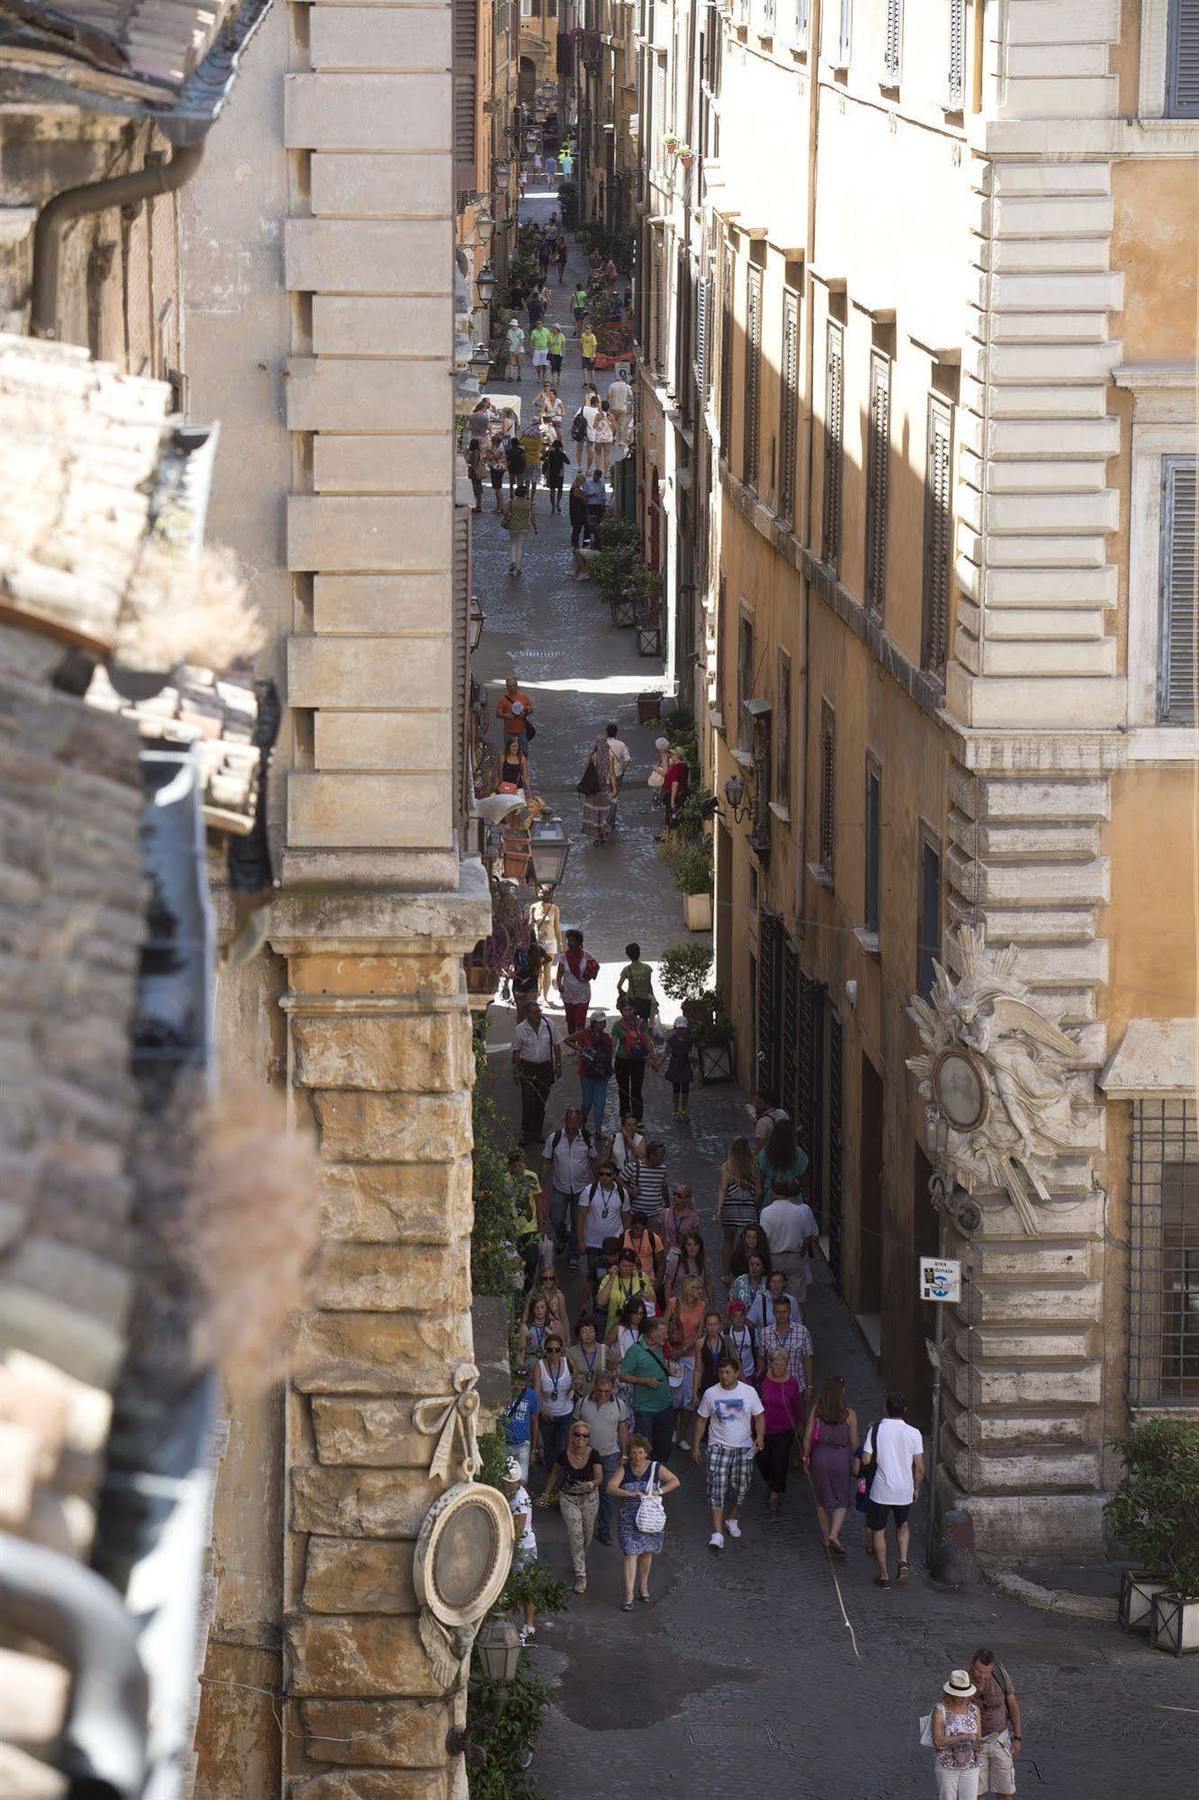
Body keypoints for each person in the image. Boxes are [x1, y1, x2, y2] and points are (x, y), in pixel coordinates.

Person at [693, 1354, 766, 1552]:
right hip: (718, 1447)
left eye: (727, 1372)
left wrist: (760, 1436)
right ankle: (717, 1533)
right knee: (716, 1488)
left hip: (743, 1448)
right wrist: (696, 1445)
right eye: (721, 1372)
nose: (724, 1376)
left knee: (741, 1488)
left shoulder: (749, 1392)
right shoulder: (710, 1394)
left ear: (736, 1373)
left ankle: (732, 1518)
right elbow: (701, 1420)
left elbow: (759, 1417)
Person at [607, 1433, 680, 1611]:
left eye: (640, 1452)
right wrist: (630, 1494)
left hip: (649, 1518)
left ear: (646, 1452)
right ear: (629, 1454)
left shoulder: (656, 1468)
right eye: (634, 1453)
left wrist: (658, 1491)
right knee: (630, 1554)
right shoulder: (624, 1469)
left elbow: (675, 1481)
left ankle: (644, 1586)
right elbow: (610, 1488)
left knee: (647, 1553)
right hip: (628, 1519)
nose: (637, 1457)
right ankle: (629, 1595)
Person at [862, 1390, 925, 1589]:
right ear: (905, 1410)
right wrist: (916, 1488)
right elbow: (920, 1467)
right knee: (902, 1524)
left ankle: (884, 1575)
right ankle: (903, 1560)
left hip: (882, 1490)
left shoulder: (877, 1429)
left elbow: (865, 1459)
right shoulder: (914, 1433)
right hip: (904, 1489)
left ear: (885, 1409)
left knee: (879, 1530)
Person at [540, 1418, 604, 1593]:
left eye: (585, 1435)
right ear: (572, 1436)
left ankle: (578, 1560)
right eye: (577, 1434)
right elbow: (554, 1474)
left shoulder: (594, 1454)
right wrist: (546, 1494)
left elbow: (599, 1477)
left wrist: (591, 1484)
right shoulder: (563, 1454)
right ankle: (581, 1575)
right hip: (568, 1498)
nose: (581, 1438)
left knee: (587, 1534)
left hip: (590, 1499)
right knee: (576, 1535)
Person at [803, 1374, 857, 1555]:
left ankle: (826, 1538)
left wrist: (805, 1456)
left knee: (821, 1500)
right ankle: (835, 1533)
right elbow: (855, 1442)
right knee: (842, 1498)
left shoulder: (817, 1411)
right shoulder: (850, 1414)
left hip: (820, 1457)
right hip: (841, 1459)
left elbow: (808, 1438)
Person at [576, 1371, 629, 1543]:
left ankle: (604, 1530)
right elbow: (574, 1428)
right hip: (586, 1455)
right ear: (594, 1387)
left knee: (607, 1493)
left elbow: (623, 1430)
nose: (603, 1395)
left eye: (607, 1391)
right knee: (584, 1490)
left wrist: (625, 1453)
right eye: (600, 1391)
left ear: (612, 1389)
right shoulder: (583, 1402)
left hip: (609, 1454)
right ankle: (583, 1527)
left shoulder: (619, 1405)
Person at [619, 1315, 675, 1466]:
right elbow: (623, 1375)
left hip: (665, 1405)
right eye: (663, 1333)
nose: (666, 1336)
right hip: (645, 1409)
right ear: (651, 1332)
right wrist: (644, 1381)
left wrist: (669, 1369)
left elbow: (666, 1362)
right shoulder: (635, 1351)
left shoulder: (663, 1347)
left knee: (663, 1446)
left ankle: (658, 1475)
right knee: (643, 1448)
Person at [541, 1107, 594, 1264]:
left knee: (578, 1222)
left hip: (580, 1188)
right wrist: (541, 1183)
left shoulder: (586, 1139)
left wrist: (598, 1183)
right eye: (569, 1121)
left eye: (575, 1121)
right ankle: (563, 1237)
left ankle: (573, 1255)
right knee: (556, 1218)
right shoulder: (554, 1138)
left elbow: (594, 1160)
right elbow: (546, 1160)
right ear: (565, 1121)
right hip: (560, 1187)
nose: (572, 1124)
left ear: (580, 1123)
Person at [756, 1346, 804, 1516]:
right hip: (763, 1428)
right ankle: (771, 1482)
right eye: (776, 1363)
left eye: (782, 1364)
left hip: (785, 1429)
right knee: (762, 1459)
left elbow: (797, 1405)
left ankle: (775, 1494)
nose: (779, 1367)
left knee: (780, 1462)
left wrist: (800, 1423)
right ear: (770, 1363)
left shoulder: (792, 1382)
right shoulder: (761, 1379)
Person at [969, 1649, 1022, 1798]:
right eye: (979, 1671)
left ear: (991, 1668)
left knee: (1005, 1790)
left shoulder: (1000, 1674)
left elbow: (1013, 1705)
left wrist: (1018, 1737)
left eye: (986, 1672)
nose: (982, 1676)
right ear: (972, 1665)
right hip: (975, 1745)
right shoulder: (962, 1680)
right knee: (978, 1792)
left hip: (1001, 1740)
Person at [759, 1178, 821, 1297]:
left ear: (773, 1192)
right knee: (797, 1299)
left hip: (774, 1257)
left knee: (774, 1295)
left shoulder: (766, 1212)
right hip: (795, 1257)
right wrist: (802, 1250)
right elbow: (808, 1235)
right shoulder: (799, 1211)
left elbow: (763, 1239)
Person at [664, 1273, 705, 1447]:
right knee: (674, 1396)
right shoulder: (674, 1303)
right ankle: (672, 1429)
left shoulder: (702, 1306)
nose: (699, 1291)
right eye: (696, 1287)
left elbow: (699, 1331)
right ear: (688, 1288)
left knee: (688, 1398)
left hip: (690, 1354)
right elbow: (663, 1326)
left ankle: (683, 1436)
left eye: (700, 1288)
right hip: (674, 1352)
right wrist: (671, 1349)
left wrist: (686, 1348)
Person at [512, 1001, 561, 1143]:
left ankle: (538, 1131)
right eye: (534, 1013)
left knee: (541, 1099)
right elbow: (516, 1052)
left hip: (545, 1068)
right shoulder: (520, 1029)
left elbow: (557, 1046)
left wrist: (558, 1066)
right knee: (527, 1099)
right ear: (527, 1014)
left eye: (538, 1011)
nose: (538, 1015)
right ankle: (527, 1132)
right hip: (527, 1067)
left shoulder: (549, 1025)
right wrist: (515, 1071)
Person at [930, 1671, 983, 1800]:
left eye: (965, 1695)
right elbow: (938, 1741)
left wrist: (978, 1745)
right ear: (950, 1694)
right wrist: (962, 1737)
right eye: (959, 1696)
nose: (963, 1698)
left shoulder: (974, 1709)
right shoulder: (940, 1710)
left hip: (970, 1765)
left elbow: (977, 1738)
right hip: (947, 1765)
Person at [503, 1459, 539, 1643]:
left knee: (516, 1588)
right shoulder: (519, 1492)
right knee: (525, 1588)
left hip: (521, 1549)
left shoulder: (518, 1499)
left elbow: (518, 1530)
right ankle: (528, 1625)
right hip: (527, 1547)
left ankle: (511, 1627)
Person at [576, 1162, 628, 1287]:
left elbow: (626, 1217)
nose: (604, 1177)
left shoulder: (622, 1193)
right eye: (601, 1174)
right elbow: (581, 1217)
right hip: (593, 1244)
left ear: (614, 1175)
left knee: (614, 1278)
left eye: (608, 1174)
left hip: (614, 1245)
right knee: (596, 1279)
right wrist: (581, 1241)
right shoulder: (589, 1191)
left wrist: (626, 1241)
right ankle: (597, 1303)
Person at [716, 1136, 762, 1278]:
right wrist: (753, 1204)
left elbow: (723, 1188)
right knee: (749, 1243)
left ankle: (726, 1274)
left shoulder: (726, 1167)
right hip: (748, 1210)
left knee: (728, 1241)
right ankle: (749, 1273)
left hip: (730, 1209)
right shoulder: (754, 1166)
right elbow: (760, 1190)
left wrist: (719, 1209)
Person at [566, 1010, 614, 1137]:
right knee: (587, 1101)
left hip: (602, 1075)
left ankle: (598, 1128)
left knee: (600, 1102)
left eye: (603, 1022)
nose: (603, 1024)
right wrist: (581, 1050)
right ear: (593, 1023)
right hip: (586, 1074)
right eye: (600, 1022)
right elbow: (568, 1040)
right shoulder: (583, 1034)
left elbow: (609, 1055)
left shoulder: (606, 1038)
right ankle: (582, 1121)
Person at [533, 1333, 574, 1474]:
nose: (553, 1353)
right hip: (547, 1414)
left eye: (557, 1350)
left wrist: (576, 1386)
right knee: (549, 1450)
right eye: (550, 1350)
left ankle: (561, 1479)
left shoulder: (568, 1362)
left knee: (562, 1448)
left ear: (561, 1350)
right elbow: (536, 1391)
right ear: (546, 1350)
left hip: (565, 1413)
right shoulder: (540, 1366)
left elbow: (576, 1381)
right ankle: (551, 1479)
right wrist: (542, 1410)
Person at [756, 1296, 814, 1395]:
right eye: (778, 1312)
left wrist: (809, 1385)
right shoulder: (765, 1333)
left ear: (790, 1311)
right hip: (773, 1388)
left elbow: (807, 1359)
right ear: (773, 1312)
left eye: (784, 1311)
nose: (781, 1315)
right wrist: (761, 1382)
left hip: (797, 1388)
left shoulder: (802, 1331)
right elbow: (761, 1358)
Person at [508, 1147, 543, 1289]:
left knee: (532, 1259)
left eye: (521, 1164)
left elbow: (539, 1198)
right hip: (513, 1228)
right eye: (515, 1165)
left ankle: (528, 1286)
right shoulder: (505, 1180)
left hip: (530, 1227)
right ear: (510, 1166)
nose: (519, 1168)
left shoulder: (532, 1177)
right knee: (515, 1261)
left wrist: (541, 1222)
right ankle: (517, 1286)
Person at [597, 1249, 653, 1336]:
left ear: (634, 1265)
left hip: (637, 1328)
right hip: (614, 1327)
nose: (626, 1269)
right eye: (623, 1265)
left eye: (630, 1266)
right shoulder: (609, 1278)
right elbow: (600, 1302)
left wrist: (649, 1297)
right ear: (618, 1264)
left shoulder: (642, 1277)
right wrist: (612, 1278)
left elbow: (653, 1299)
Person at [611, 1004, 651, 1123]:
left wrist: (652, 1057)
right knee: (623, 1089)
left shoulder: (641, 1023)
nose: (628, 1012)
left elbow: (647, 1040)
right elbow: (613, 1044)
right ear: (621, 1011)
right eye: (625, 1010)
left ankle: (636, 1117)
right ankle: (625, 1115)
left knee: (636, 1089)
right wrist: (609, 1060)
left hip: (637, 1060)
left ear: (635, 1010)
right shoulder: (617, 1025)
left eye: (631, 1009)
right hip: (622, 1060)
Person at [556, 928, 597, 1032]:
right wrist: (559, 984)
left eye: (572, 941)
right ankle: (572, 1043)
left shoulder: (586, 955)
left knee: (580, 1022)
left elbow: (595, 967)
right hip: (568, 994)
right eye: (568, 940)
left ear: (579, 942)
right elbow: (559, 973)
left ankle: (581, 1045)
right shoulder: (563, 957)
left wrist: (590, 974)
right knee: (570, 1021)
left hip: (583, 993)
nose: (569, 943)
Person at [758, 1115, 810, 1198]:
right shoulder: (799, 1154)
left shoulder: (765, 1153)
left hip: (771, 1196)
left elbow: (760, 1178)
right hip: (793, 1196)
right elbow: (804, 1178)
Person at [504, 1367, 541, 1483]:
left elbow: (535, 1422)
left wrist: (534, 1450)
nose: (519, 1383)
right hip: (504, 1443)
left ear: (527, 1381)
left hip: (523, 1444)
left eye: (523, 1380)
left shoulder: (532, 1395)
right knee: (504, 1479)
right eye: (517, 1379)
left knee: (522, 1481)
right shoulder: (504, 1392)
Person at [580, 732, 615, 846]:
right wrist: (614, 789)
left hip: (593, 789)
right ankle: (602, 833)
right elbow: (612, 774)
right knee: (603, 811)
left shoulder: (592, 756)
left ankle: (595, 835)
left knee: (593, 811)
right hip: (604, 789)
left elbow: (587, 771)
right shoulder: (610, 757)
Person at [664, 1226, 713, 1309]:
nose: (692, 1248)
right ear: (684, 1246)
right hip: (678, 1305)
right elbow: (668, 1284)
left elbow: (708, 1284)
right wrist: (669, 1306)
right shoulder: (676, 1260)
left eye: (695, 1245)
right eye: (689, 1245)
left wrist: (712, 1306)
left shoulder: (703, 1262)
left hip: (696, 1305)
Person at [656, 1017, 695, 1120]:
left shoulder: (690, 1039)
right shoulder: (672, 1040)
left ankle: (684, 1110)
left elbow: (693, 1050)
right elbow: (666, 1053)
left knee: (686, 1089)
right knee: (676, 1089)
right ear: (675, 1028)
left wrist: (694, 1059)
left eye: (683, 1028)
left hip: (685, 1064)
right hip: (675, 1065)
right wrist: (659, 1064)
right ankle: (676, 1110)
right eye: (679, 1028)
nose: (681, 1030)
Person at [626, 1142, 669, 1230]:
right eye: (660, 1157)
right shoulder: (634, 1166)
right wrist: (630, 1191)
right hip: (636, 1214)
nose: (663, 1159)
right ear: (651, 1156)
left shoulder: (662, 1168)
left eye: (663, 1156)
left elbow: (663, 1186)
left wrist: (667, 1204)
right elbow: (619, 1180)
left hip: (656, 1214)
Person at [621, 1212, 665, 1295]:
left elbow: (662, 1262)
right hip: (627, 1283)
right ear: (631, 1225)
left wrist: (657, 1283)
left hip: (649, 1283)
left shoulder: (653, 1238)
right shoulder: (622, 1238)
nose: (638, 1232)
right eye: (636, 1228)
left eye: (642, 1229)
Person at [747, 1265, 801, 1334]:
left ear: (784, 1284)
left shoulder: (791, 1301)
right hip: (765, 1340)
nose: (776, 1285)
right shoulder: (760, 1299)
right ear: (769, 1284)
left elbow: (798, 1324)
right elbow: (750, 1321)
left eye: (779, 1282)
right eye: (773, 1282)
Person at [528, 890, 561, 1000]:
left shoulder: (554, 908)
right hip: (539, 943)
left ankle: (545, 997)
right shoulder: (533, 907)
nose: (544, 896)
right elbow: (530, 925)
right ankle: (539, 989)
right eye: (542, 894)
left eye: (546, 894)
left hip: (551, 942)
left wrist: (560, 944)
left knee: (547, 970)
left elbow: (557, 928)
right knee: (538, 969)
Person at [567, 1311, 608, 1400]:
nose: (588, 1335)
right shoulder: (571, 1352)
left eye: (591, 1331)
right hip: (578, 1397)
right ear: (579, 1334)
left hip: (600, 1397)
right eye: (584, 1331)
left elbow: (610, 1374)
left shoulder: (604, 1350)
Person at [526, 1266, 570, 1344]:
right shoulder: (532, 1294)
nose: (548, 1281)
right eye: (545, 1278)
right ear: (540, 1279)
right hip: (537, 1329)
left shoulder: (559, 1296)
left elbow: (564, 1318)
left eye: (551, 1278)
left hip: (555, 1330)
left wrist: (567, 1339)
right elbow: (526, 1315)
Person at [502, 479, 536, 576]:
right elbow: (531, 516)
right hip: (524, 526)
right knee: (520, 547)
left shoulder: (511, 502)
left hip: (513, 526)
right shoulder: (528, 503)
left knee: (513, 544)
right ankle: (518, 567)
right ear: (525, 494)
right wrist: (535, 527)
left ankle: (513, 561)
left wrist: (508, 516)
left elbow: (504, 511)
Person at [616, 943, 656, 1022]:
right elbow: (649, 986)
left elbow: (619, 986)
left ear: (628, 955)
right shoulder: (647, 968)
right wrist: (653, 998)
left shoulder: (627, 969)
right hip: (645, 1001)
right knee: (644, 1023)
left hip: (632, 1001)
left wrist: (625, 994)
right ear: (639, 953)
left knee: (632, 1023)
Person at [604, 721, 631, 829]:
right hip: (618, 773)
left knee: (605, 797)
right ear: (616, 732)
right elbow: (628, 759)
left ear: (607, 732)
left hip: (604, 774)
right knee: (614, 797)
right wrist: (623, 769)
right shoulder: (621, 744)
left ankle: (606, 819)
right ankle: (611, 821)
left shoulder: (602, 744)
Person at [730, 1250, 771, 1321]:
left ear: (764, 1268)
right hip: (741, 1322)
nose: (754, 1267)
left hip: (762, 1323)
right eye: (751, 1264)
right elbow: (731, 1301)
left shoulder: (768, 1283)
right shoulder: (740, 1280)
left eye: (757, 1265)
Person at [497, 674, 534, 751]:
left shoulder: (523, 697)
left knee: (524, 753)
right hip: (509, 732)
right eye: (509, 686)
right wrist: (507, 716)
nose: (512, 688)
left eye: (513, 685)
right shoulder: (503, 700)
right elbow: (498, 714)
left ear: (517, 685)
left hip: (522, 731)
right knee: (509, 754)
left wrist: (525, 712)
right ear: (506, 687)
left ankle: (523, 763)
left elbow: (531, 709)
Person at [660, 1182, 701, 1251]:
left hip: (685, 1252)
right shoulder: (665, 1213)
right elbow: (661, 1236)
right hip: (668, 1251)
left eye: (679, 1196)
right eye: (674, 1194)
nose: (675, 1197)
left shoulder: (693, 1216)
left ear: (686, 1199)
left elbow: (696, 1238)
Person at [722, 1299, 757, 1380]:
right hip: (731, 1374)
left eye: (741, 1315)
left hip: (749, 1373)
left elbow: (756, 1351)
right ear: (731, 1317)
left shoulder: (752, 1332)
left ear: (745, 1316)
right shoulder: (725, 1333)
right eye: (735, 1316)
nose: (738, 1318)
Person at [519, 1292, 553, 1372]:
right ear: (532, 1309)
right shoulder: (525, 1328)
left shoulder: (553, 1327)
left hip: (548, 1367)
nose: (539, 1311)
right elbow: (521, 1351)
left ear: (547, 1308)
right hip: (530, 1366)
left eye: (542, 1307)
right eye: (536, 1308)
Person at [609, 1112, 647, 1178]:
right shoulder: (613, 1138)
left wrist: (628, 1139)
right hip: (617, 1174)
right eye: (629, 1125)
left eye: (634, 1124)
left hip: (634, 1174)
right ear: (623, 1126)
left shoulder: (641, 1139)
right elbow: (607, 1158)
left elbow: (641, 1156)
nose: (632, 1127)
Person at [542, 434, 568, 512]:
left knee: (552, 490)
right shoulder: (562, 454)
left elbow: (541, 458)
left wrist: (547, 459)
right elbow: (568, 462)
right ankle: (558, 503)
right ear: (560, 447)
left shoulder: (550, 453)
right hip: (560, 473)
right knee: (560, 489)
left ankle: (553, 507)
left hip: (551, 473)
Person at [591, 399, 615, 476]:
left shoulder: (598, 415)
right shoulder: (611, 416)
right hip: (608, 438)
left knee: (598, 455)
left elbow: (594, 426)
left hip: (599, 438)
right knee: (607, 455)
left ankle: (598, 472)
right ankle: (606, 472)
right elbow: (614, 428)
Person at [485, 431, 508, 511]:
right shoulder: (496, 447)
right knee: (497, 488)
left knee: (497, 488)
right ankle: (500, 506)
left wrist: (490, 454)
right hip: (495, 468)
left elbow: (494, 457)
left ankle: (499, 507)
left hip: (498, 469)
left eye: (492, 441)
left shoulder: (500, 448)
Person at [568, 470, 590, 549]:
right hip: (578, 512)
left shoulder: (575, 487)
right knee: (577, 529)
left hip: (576, 511)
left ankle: (576, 543)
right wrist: (586, 495)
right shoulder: (576, 489)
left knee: (577, 529)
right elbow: (584, 498)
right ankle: (576, 544)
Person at [607, 370, 631, 442]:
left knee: (612, 423)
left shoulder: (612, 385)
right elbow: (631, 396)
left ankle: (613, 437)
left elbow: (608, 396)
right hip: (623, 409)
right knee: (621, 425)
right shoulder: (627, 386)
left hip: (613, 408)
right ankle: (621, 440)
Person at [464, 435, 485, 513]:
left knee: (476, 490)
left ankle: (477, 506)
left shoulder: (475, 452)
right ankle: (477, 505)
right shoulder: (476, 452)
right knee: (477, 490)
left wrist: (471, 469)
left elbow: (474, 463)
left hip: (474, 473)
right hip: (475, 473)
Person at [529, 319, 551, 383]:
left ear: (542, 324)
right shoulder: (534, 332)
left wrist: (550, 348)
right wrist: (531, 350)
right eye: (537, 324)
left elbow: (549, 339)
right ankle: (539, 376)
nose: (538, 325)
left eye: (540, 324)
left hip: (545, 349)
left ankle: (544, 375)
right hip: (537, 349)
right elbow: (531, 341)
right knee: (537, 364)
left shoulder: (546, 330)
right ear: (536, 325)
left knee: (545, 364)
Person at [504, 316, 525, 381]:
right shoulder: (509, 331)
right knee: (511, 363)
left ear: (516, 325)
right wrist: (508, 342)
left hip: (519, 350)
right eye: (511, 325)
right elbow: (508, 339)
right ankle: (511, 376)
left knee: (519, 363)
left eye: (513, 325)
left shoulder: (520, 331)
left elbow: (521, 341)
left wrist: (517, 349)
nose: (512, 326)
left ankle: (519, 376)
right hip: (511, 348)